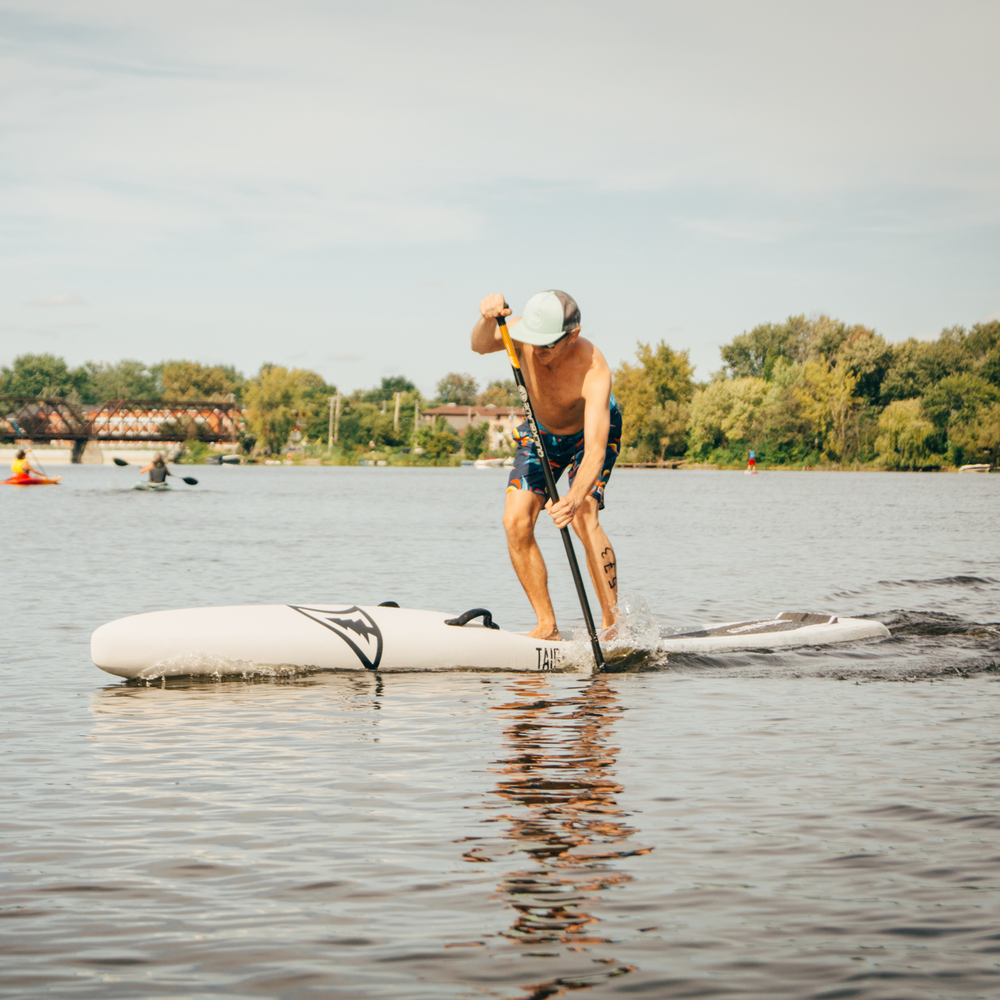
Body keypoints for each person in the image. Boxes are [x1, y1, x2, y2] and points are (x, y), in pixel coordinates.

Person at [471, 290, 622, 640]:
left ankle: (613, 628)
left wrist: (571, 499)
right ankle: (546, 626)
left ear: (574, 334)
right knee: (515, 521)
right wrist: (485, 318)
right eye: (534, 342)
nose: (537, 351)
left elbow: (596, 452)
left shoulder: (594, 369)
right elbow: (479, 345)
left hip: (588, 434)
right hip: (540, 433)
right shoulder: (522, 333)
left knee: (584, 515)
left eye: (548, 345)